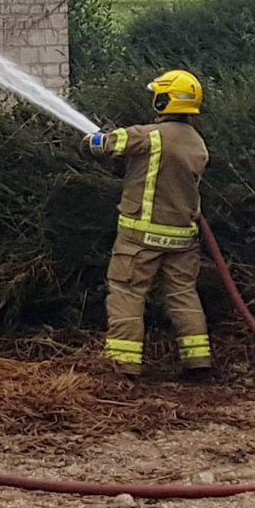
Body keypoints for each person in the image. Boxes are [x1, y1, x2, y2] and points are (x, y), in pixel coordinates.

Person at [87, 68, 213, 382]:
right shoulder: (197, 144)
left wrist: (95, 137)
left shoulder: (149, 135)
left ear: (164, 100)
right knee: (184, 295)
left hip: (140, 237)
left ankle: (123, 367)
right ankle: (199, 365)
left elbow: (103, 145)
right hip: (183, 238)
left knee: (127, 293)